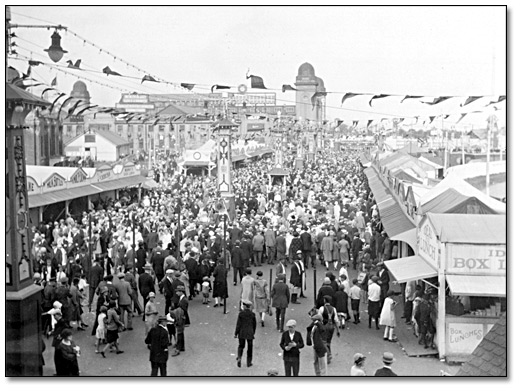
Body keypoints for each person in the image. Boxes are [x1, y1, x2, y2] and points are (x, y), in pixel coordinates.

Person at [317, 295, 340, 364]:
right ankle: (328, 355)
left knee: (323, 341)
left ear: (325, 300)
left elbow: (319, 318)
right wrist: (338, 330)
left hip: (324, 326)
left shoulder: (322, 308)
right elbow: (336, 320)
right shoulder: (334, 309)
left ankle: (327, 355)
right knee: (328, 341)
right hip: (331, 326)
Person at [234, 299, 256, 368]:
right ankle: (249, 362)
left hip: (242, 332)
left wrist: (236, 333)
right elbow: (254, 325)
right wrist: (253, 332)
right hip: (250, 332)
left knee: (241, 346)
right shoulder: (252, 315)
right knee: (250, 348)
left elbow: (238, 324)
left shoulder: (241, 314)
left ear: (245, 306)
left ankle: (239, 357)